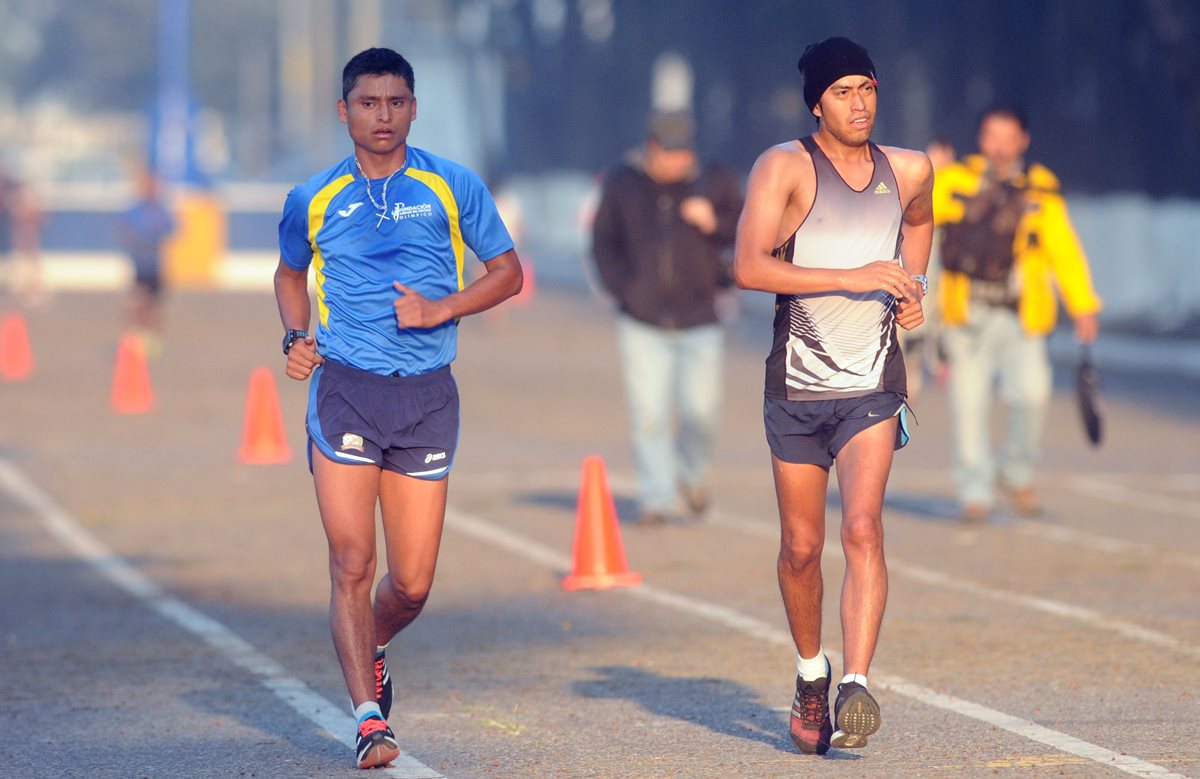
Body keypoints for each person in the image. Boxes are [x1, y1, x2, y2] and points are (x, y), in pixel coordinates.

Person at [273, 47, 522, 769]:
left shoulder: (452, 185)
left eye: (395, 102)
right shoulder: (313, 196)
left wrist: (442, 307)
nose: (382, 115)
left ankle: (373, 641)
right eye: (367, 102)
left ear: (413, 108)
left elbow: (508, 273)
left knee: (410, 584)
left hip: (426, 396)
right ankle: (368, 720)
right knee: (352, 562)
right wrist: (295, 336)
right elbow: (289, 274)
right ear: (344, 110)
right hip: (346, 390)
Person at [733, 37, 933, 755]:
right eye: (843, 92)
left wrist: (912, 286)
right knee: (800, 547)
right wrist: (852, 277)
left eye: (867, 89)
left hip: (870, 387)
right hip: (796, 385)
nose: (859, 104)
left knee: (864, 529)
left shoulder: (908, 168)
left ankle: (854, 682)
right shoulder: (784, 166)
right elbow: (748, 267)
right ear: (817, 103)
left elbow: (919, 222)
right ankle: (811, 672)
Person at [932, 107, 1100, 523]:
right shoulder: (954, 181)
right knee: (968, 407)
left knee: (1033, 395)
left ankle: (1014, 472)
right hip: (965, 314)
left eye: (1009, 138)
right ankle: (975, 493)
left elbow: (1063, 249)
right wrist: (927, 173)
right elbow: (914, 216)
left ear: (1023, 140)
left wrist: (1082, 305)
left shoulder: (1041, 187)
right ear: (980, 138)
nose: (1000, 147)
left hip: (1022, 316)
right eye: (992, 136)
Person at [590, 110, 742, 524]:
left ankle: (692, 476)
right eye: (671, 152)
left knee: (701, 411)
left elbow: (746, 229)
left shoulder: (714, 179)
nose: (680, 160)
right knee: (649, 415)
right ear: (652, 148)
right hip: (642, 321)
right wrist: (624, 291)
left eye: (685, 151)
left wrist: (714, 221)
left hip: (701, 316)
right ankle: (656, 498)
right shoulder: (623, 181)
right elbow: (602, 242)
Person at [116, 167, 175, 353]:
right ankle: (137, 336)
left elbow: (172, 229)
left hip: (155, 265)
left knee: (156, 305)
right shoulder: (136, 210)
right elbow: (124, 229)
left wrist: (154, 234)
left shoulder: (161, 210)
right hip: (140, 264)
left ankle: (154, 339)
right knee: (139, 303)